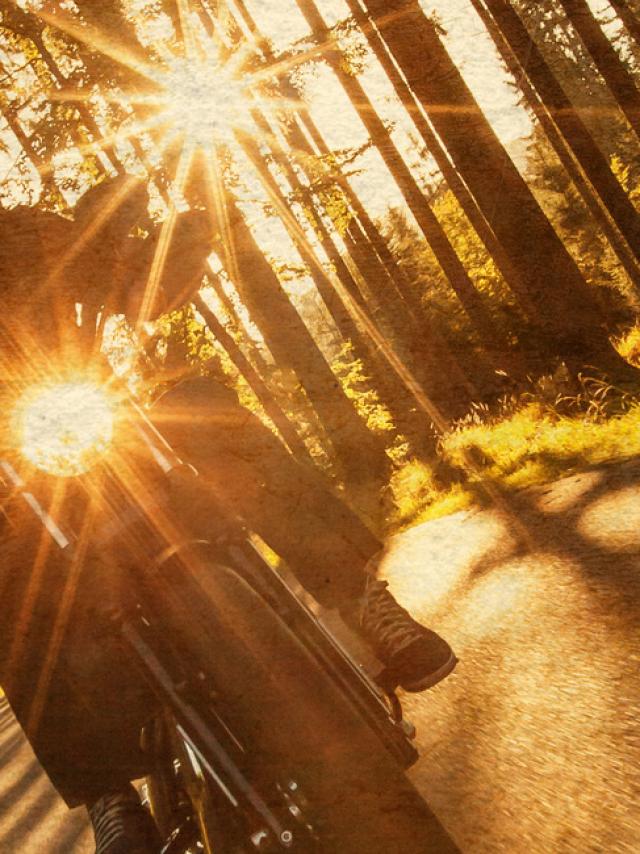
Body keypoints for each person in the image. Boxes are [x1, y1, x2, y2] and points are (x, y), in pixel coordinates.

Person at [0, 180, 456, 854]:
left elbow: (129, 279)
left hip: (106, 414)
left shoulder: (25, 235)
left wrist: (158, 247)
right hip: (20, 472)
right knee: (8, 576)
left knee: (205, 411)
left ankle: (361, 599)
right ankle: (109, 790)